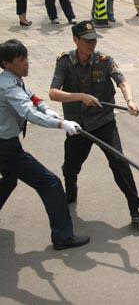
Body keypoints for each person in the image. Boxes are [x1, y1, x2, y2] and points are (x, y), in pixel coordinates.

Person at [48, 21, 139, 224]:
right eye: (87, 40)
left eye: (94, 40)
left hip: (104, 122)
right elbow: (53, 93)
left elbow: (122, 81)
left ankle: (134, 206)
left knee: (119, 162)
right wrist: (80, 96)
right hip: (78, 126)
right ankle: (71, 192)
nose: (92, 44)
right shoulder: (65, 62)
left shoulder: (104, 60)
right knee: (70, 167)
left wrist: (130, 101)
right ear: (75, 40)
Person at [0, 39, 90, 250]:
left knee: (10, 179)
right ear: (6, 63)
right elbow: (28, 113)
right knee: (50, 183)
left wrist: (45, 108)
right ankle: (63, 237)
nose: (26, 63)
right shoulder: (8, 87)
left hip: (6, 144)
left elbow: (31, 97)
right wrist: (61, 123)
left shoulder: (12, 79)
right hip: (6, 147)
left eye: (26, 59)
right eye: (21, 60)